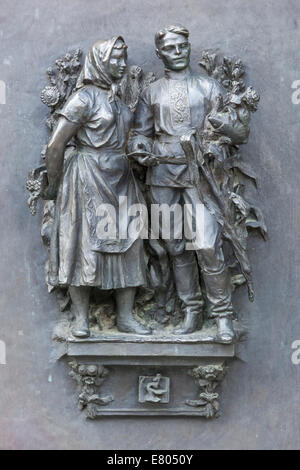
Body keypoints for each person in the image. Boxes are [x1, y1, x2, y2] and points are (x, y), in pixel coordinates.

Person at [129, 25, 249, 342]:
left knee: (208, 245)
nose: (178, 52)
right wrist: (140, 149)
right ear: (160, 54)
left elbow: (234, 133)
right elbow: (141, 132)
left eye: (183, 46)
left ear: (189, 47)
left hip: (200, 175)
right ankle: (192, 309)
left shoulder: (209, 88)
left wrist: (216, 144)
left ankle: (222, 316)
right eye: (170, 48)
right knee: (174, 246)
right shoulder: (150, 92)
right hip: (162, 175)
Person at [45, 37, 151, 338]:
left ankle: (126, 316)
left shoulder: (118, 97)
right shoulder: (84, 98)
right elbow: (56, 145)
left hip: (120, 177)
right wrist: (53, 186)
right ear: (100, 62)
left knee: (130, 241)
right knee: (83, 244)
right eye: (115, 59)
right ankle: (81, 319)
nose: (121, 64)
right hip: (87, 177)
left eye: (124, 58)